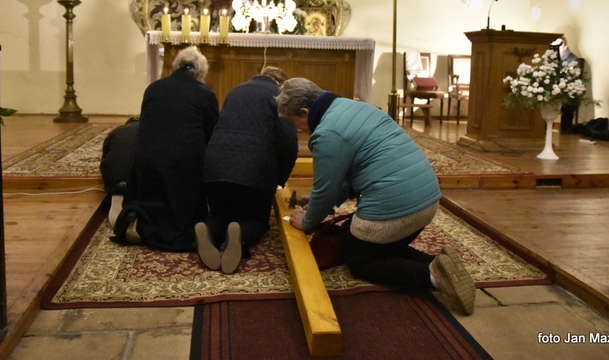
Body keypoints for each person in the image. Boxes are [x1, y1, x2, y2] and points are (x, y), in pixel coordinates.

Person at [277, 78, 476, 315]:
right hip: (428, 199)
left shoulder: (327, 132)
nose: (298, 128)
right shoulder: (355, 106)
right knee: (376, 247)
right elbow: (351, 172)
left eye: (296, 121)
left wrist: (307, 220)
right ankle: (443, 264)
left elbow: (325, 189)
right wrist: (325, 198)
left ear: (304, 111)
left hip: (399, 206)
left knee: (361, 260)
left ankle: (432, 276)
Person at [112, 46, 219, 252]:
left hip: (146, 164)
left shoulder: (153, 89)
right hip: (184, 168)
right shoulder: (205, 94)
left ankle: (140, 223)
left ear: (175, 67)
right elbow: (212, 134)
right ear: (201, 75)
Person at [196, 67, 298, 274]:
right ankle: (241, 235)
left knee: (220, 213)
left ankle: (210, 229)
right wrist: (280, 178)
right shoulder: (281, 96)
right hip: (254, 169)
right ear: (282, 83)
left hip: (215, 164)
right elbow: (288, 144)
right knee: (256, 219)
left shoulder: (236, 90)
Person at [99, 117, 139, 226]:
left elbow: (105, 158)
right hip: (140, 181)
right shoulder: (151, 130)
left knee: (119, 194)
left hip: (116, 180)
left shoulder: (115, 132)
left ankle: (118, 195)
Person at [552, 37, 581, 133]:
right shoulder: (552, 59)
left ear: (565, 47)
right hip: (554, 88)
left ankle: (566, 130)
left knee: (569, 99)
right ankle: (542, 128)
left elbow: (572, 78)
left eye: (558, 45)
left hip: (568, 89)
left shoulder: (573, 59)